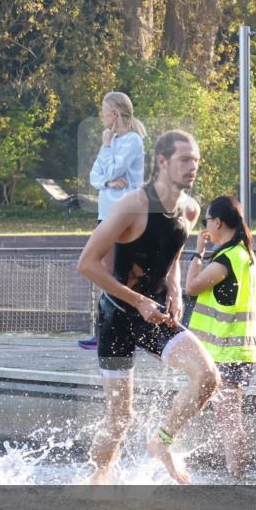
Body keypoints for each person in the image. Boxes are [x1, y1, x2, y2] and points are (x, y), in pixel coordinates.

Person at [77, 130, 219, 484]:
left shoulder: (189, 209)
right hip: (118, 316)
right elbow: (87, 264)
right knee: (119, 416)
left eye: (196, 161)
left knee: (207, 377)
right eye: (185, 160)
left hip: (154, 314)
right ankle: (96, 486)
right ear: (161, 162)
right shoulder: (131, 206)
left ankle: (161, 441)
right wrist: (138, 300)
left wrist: (173, 284)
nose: (193, 167)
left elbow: (170, 250)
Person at [185, 196, 256, 479]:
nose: (205, 226)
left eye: (206, 220)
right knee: (228, 416)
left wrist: (198, 252)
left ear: (217, 222)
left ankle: (237, 478)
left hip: (227, 350)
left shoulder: (226, 258)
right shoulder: (243, 254)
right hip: (237, 350)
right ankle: (236, 475)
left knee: (229, 418)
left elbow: (190, 287)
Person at [79, 92, 146, 350]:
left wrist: (108, 155)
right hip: (104, 216)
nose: (102, 116)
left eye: (105, 112)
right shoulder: (109, 142)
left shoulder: (131, 141)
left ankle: (124, 328)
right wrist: (106, 182)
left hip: (123, 217)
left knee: (116, 273)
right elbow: (95, 176)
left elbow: (116, 169)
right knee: (103, 272)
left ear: (115, 114)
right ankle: (106, 329)